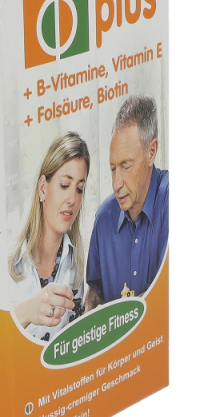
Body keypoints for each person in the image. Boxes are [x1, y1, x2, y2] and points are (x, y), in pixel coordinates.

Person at [86, 95, 169, 309]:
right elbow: (94, 293)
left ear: (151, 152)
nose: (116, 184)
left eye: (126, 166)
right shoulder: (103, 219)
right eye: (113, 168)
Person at [8, 132, 90, 341]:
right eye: (65, 185)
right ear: (43, 188)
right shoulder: (8, 255)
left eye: (79, 189)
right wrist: (27, 311)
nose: (72, 199)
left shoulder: (76, 263)